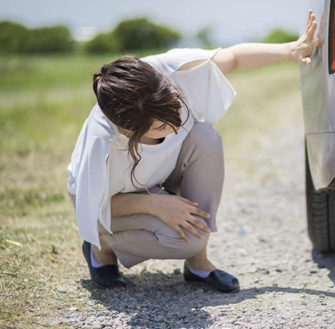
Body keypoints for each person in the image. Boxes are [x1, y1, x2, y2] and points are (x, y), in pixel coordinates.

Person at [67, 10, 319, 292]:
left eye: (175, 106)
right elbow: (91, 207)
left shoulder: (169, 71)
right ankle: (101, 248)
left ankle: (199, 264)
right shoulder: (101, 141)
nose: (176, 125)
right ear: (128, 131)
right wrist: (154, 204)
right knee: (187, 239)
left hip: (153, 178)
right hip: (106, 204)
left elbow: (233, 58)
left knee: (205, 137)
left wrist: (290, 49)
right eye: (162, 126)